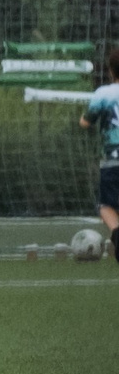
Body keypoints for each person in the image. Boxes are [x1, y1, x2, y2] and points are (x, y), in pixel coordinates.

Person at [83, 50, 119, 266]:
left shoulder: (103, 93)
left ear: (110, 70)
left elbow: (86, 122)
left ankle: (116, 234)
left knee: (106, 205)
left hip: (112, 159)